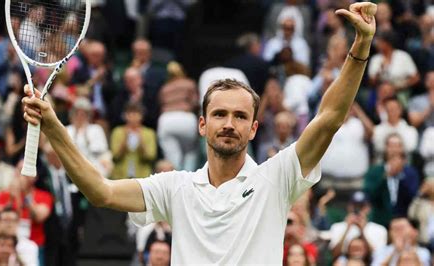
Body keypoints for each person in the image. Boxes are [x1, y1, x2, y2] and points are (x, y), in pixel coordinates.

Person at [21, 3, 378, 264]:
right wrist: (53, 125)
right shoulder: (175, 187)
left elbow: (329, 118)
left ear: (255, 128)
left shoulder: (277, 178)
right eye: (219, 114)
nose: (228, 123)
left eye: (240, 116)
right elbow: (101, 191)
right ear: (202, 124)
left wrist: (360, 47)